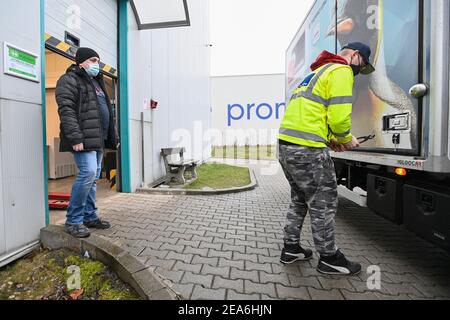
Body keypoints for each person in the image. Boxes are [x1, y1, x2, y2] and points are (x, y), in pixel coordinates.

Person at [278, 42, 375, 275]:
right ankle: (330, 258)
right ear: (355, 55)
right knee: (324, 202)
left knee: (300, 199)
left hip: (287, 146)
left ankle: (291, 249)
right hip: (307, 149)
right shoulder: (341, 70)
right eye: (361, 66)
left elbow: (312, 115)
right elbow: (340, 117)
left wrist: (331, 140)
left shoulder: (314, 73)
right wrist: (346, 138)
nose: (359, 72)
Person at [56, 47, 118, 238]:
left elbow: (104, 112)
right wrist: (75, 137)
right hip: (82, 139)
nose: (96, 64)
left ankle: (90, 216)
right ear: (81, 61)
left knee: (93, 178)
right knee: (88, 173)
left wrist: (111, 138)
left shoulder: (97, 83)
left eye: (98, 61)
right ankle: (73, 221)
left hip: (97, 139)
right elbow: (66, 109)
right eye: (92, 60)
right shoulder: (69, 80)